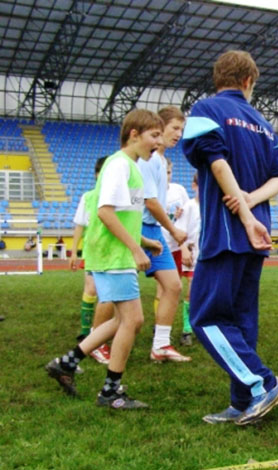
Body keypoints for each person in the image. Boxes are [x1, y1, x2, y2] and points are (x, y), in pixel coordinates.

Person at [182, 50, 278, 425]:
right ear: (249, 81)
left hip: (230, 232)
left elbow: (215, 161)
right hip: (258, 234)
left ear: (220, 79)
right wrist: (253, 202)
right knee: (241, 319)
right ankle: (243, 403)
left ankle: (263, 385)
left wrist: (244, 214)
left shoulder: (205, 109)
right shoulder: (263, 123)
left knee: (205, 316)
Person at [45, 109, 164, 409]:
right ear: (134, 134)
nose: (159, 142)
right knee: (133, 319)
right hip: (113, 256)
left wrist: (144, 241)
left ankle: (67, 363)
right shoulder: (119, 165)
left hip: (115, 253)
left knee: (121, 320)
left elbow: (120, 216)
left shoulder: (132, 168)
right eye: (154, 135)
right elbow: (104, 212)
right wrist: (136, 250)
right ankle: (111, 392)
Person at [138, 105, 190, 363]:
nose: (179, 134)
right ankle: (92, 340)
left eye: (182, 129)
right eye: (175, 128)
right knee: (116, 293)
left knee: (173, 286)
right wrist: (173, 230)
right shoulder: (148, 160)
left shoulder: (159, 160)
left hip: (152, 229)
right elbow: (150, 202)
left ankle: (160, 345)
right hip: (138, 228)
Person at [69, 156, 113, 364]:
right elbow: (80, 225)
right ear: (97, 175)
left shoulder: (115, 196)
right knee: (92, 290)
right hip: (92, 250)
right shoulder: (88, 197)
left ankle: (97, 332)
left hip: (110, 252)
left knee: (106, 293)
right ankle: (88, 332)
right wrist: (73, 251)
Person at [161, 158, 192, 345]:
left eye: (169, 172)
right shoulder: (151, 192)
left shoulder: (178, 190)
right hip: (162, 246)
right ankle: (162, 332)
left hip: (180, 246)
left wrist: (185, 245)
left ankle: (185, 329)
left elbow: (187, 213)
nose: (167, 176)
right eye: (164, 172)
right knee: (164, 290)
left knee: (185, 287)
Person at [176, 173, 200, 347]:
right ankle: (186, 329)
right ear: (194, 186)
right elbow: (179, 231)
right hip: (193, 256)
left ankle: (203, 326)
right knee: (192, 289)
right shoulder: (189, 206)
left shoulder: (213, 206)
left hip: (209, 256)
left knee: (206, 292)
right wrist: (185, 248)